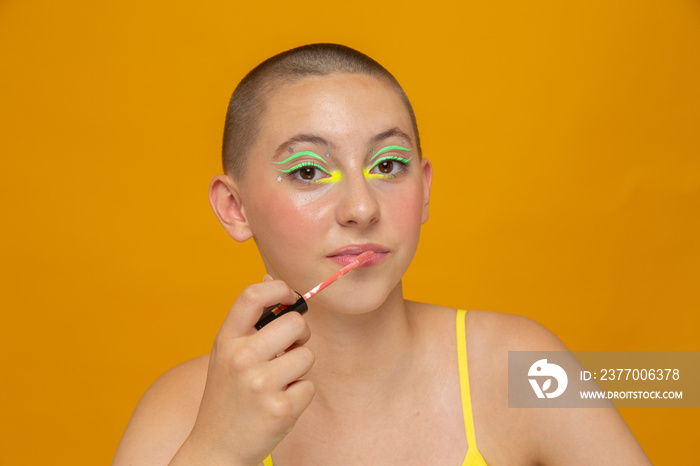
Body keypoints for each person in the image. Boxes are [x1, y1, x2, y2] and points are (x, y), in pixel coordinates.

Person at [113, 43, 650, 465]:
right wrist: (218, 454)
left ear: (426, 189)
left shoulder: (523, 367)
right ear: (235, 207)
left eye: (388, 165)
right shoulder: (183, 411)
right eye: (308, 172)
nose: (362, 208)